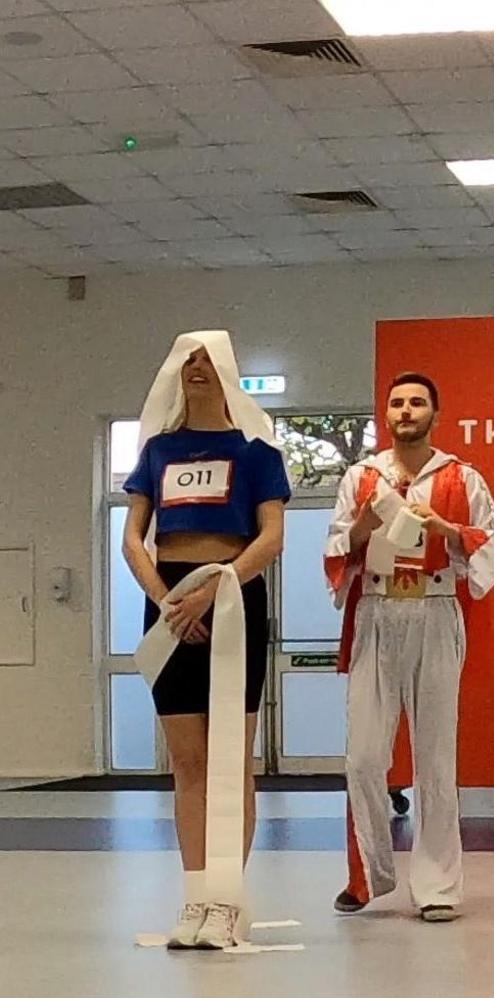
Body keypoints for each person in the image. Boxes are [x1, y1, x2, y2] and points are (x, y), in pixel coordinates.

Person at [122, 331, 289, 949]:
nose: (196, 370)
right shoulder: (159, 451)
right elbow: (134, 538)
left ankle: (227, 899)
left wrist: (217, 590)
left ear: (227, 374)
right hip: (168, 604)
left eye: (208, 362)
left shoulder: (256, 449)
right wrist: (168, 601)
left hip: (232, 598)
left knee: (229, 761)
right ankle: (195, 898)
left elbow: (271, 537)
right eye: (186, 361)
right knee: (188, 763)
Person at [326, 373, 494, 923]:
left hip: (434, 609)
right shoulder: (362, 476)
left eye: (417, 402)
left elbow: (493, 541)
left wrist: (447, 528)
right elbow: (336, 546)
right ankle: (372, 875)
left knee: (435, 759)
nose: (406, 410)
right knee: (364, 758)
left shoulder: (462, 476)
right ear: (387, 412)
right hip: (376, 613)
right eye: (397, 402)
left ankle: (437, 887)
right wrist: (361, 526)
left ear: (435, 412)